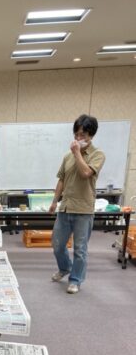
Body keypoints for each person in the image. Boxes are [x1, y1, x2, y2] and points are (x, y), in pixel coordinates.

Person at [49, 114, 105, 294]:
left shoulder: (98, 155)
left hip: (84, 210)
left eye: (83, 135)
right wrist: (54, 202)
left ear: (91, 135)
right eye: (76, 134)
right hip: (65, 207)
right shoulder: (67, 156)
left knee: (80, 249)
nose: (78, 138)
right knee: (57, 244)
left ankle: (75, 280)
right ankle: (65, 268)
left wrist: (77, 153)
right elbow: (61, 180)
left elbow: (86, 173)